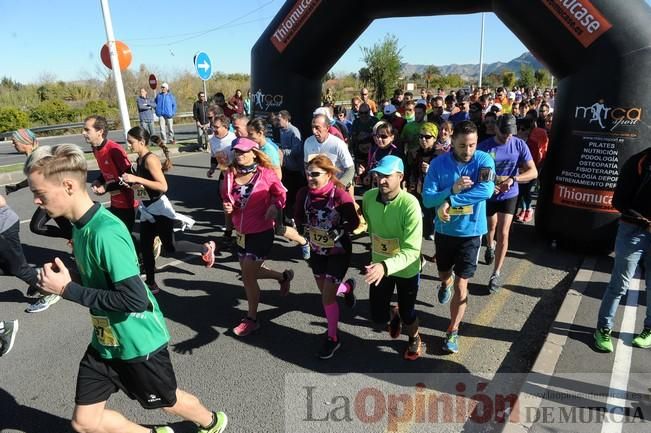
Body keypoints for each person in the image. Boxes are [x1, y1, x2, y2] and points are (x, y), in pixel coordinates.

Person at [25, 143, 228, 433]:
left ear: (68, 186)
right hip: (105, 342)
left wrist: (66, 289)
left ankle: (211, 423)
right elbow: (98, 281)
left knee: (168, 400)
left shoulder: (105, 233)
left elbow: (133, 298)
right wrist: (65, 279)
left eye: (39, 193)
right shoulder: (81, 228)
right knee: (84, 423)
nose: (35, 200)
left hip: (137, 342)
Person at [422, 120, 496, 353]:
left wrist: (451, 201)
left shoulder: (484, 160)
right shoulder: (438, 163)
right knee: (445, 274)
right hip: (445, 232)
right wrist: (450, 190)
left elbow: (486, 190)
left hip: (472, 233)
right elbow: (427, 198)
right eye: (463, 145)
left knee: (463, 285)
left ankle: (452, 331)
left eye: (472, 145)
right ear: (452, 141)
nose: (468, 151)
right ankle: (446, 282)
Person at [121, 127, 217, 294]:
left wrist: (136, 178)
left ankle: (205, 248)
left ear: (142, 142)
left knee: (170, 247)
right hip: (148, 209)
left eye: (131, 142)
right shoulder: (139, 159)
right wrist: (133, 186)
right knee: (145, 247)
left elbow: (162, 186)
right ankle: (151, 283)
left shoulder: (150, 159)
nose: (128, 146)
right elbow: (144, 188)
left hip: (160, 208)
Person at [220, 138, 293, 337]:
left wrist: (274, 205)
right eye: (237, 152)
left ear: (254, 152)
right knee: (249, 271)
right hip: (241, 233)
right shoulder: (229, 174)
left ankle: (252, 319)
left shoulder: (266, 174)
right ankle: (283, 277)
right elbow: (228, 199)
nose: (240, 155)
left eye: (244, 152)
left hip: (261, 231)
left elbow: (282, 194)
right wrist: (229, 207)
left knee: (247, 276)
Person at [294, 155, 359, 359]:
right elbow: (297, 216)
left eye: (315, 174)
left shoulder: (339, 195)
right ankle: (347, 288)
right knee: (325, 291)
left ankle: (333, 338)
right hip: (317, 250)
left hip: (338, 251)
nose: (310, 178)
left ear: (329, 174)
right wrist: (303, 230)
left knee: (327, 297)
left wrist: (339, 229)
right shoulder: (304, 193)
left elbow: (354, 222)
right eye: (308, 173)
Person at [362, 155, 424, 360]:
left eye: (387, 176)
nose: (381, 180)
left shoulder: (410, 205)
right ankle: (392, 313)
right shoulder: (369, 198)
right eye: (379, 175)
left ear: (401, 177)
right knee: (378, 316)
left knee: (408, 314)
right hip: (379, 266)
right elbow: (370, 228)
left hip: (405, 269)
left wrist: (384, 266)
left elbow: (413, 250)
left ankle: (414, 337)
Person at [594, 147, 651, 353]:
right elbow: (618, 201)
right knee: (620, 284)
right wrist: (644, 222)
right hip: (633, 232)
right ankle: (603, 329)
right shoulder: (639, 161)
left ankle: (648, 330)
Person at [478, 114, 538, 293]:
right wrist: (490, 185)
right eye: (504, 132)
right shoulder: (484, 146)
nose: (507, 136)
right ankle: (489, 246)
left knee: (503, 232)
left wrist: (513, 179)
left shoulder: (519, 144)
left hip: (509, 194)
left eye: (510, 133)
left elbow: (533, 172)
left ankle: (496, 273)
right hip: (490, 194)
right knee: (491, 227)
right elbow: (478, 171)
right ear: (496, 128)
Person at [247, 117, 310, 259]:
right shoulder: (256, 147)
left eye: (251, 134)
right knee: (259, 225)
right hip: (260, 194)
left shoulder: (268, 150)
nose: (248, 137)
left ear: (260, 133)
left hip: (273, 194)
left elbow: (278, 175)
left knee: (279, 229)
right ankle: (254, 261)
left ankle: (303, 241)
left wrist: (266, 189)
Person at [5, 128, 73, 240]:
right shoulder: (32, 156)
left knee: (36, 226)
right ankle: (77, 242)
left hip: (52, 196)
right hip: (49, 195)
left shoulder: (39, 156)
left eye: (14, 141)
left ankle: (76, 237)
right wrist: (17, 187)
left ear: (24, 141)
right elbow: (36, 178)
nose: (13, 144)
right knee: (65, 227)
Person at [0, 193, 60, 313]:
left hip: (4, 228)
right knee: (15, 267)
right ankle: (35, 274)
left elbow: (1, 201)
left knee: (19, 269)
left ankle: (50, 291)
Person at [83, 115, 137, 234]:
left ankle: (153, 241)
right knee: (116, 235)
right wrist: (99, 180)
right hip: (115, 200)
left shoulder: (113, 149)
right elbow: (108, 172)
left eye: (87, 130)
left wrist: (106, 187)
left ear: (100, 132)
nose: (83, 133)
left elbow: (129, 178)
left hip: (128, 202)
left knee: (123, 237)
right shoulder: (95, 148)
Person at [515, 118, 548, 222]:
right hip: (515, 174)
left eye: (523, 129)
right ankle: (522, 211)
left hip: (527, 174)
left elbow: (535, 160)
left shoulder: (532, 143)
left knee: (525, 193)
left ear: (529, 130)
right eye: (518, 128)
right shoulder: (512, 142)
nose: (520, 131)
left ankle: (528, 209)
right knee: (518, 196)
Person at [277, 110, 305, 218]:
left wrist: (282, 151)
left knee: (294, 195)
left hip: (296, 170)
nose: (278, 122)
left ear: (286, 119)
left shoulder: (294, 131)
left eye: (279, 119)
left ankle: (295, 218)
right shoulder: (281, 131)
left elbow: (296, 150)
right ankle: (287, 217)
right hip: (286, 168)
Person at [207, 114, 237, 178]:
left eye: (216, 127)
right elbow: (214, 157)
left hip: (237, 172)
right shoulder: (212, 139)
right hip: (224, 172)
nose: (214, 129)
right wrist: (212, 169)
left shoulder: (235, 138)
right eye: (213, 126)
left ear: (225, 127)